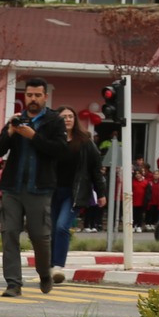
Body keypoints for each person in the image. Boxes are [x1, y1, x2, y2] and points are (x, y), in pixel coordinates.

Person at [0, 76, 67, 296]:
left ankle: (44, 273)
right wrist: (10, 132)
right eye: (29, 95)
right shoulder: (17, 119)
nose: (32, 99)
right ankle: (14, 284)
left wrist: (34, 137)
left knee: (40, 237)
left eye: (37, 95)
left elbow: (60, 151)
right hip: (12, 188)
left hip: (40, 189)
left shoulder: (54, 121)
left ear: (45, 96)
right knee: (9, 234)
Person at [49, 105, 103, 281]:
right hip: (51, 192)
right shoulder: (52, 140)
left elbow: (95, 169)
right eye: (64, 116)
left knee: (62, 227)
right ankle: (49, 266)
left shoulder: (85, 141)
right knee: (51, 230)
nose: (68, 119)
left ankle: (58, 266)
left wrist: (101, 193)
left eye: (71, 116)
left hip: (75, 192)